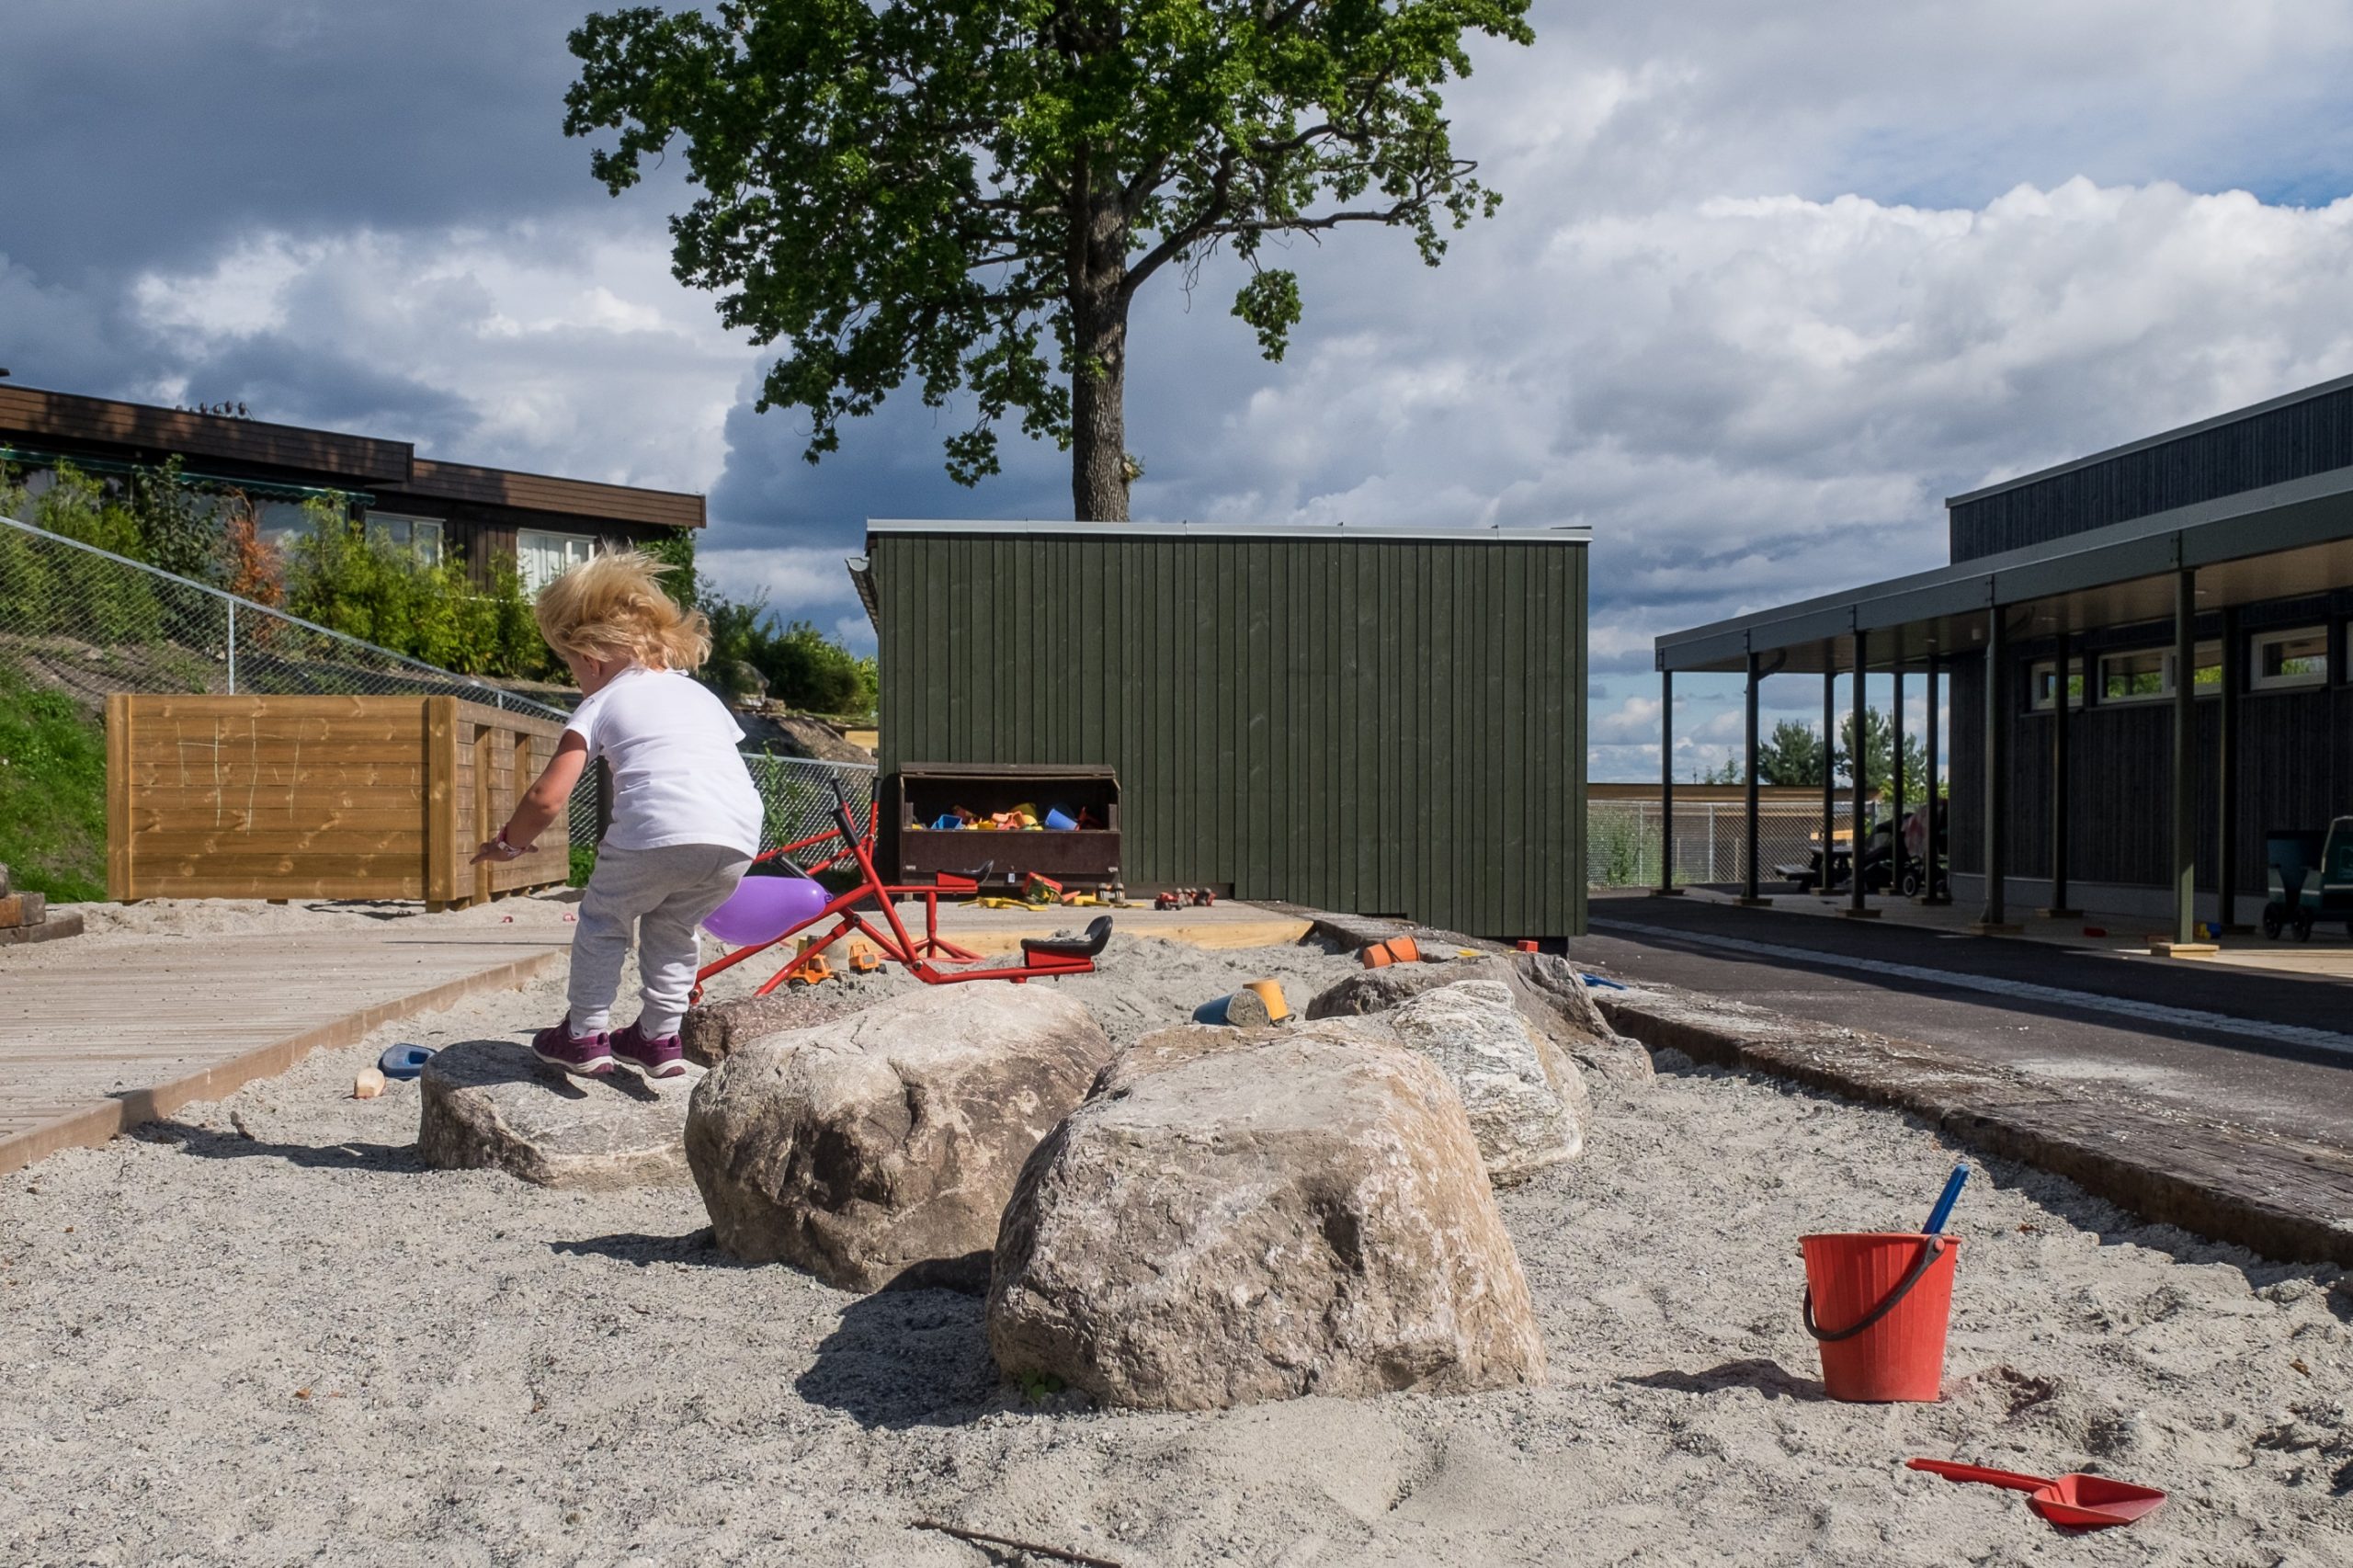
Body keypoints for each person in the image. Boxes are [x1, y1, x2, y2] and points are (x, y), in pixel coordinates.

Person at [472, 551, 761, 1079]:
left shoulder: (601, 702)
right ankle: (659, 1037)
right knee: (675, 925)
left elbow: (546, 798)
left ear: (591, 659)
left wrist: (509, 844)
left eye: (571, 665)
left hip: (657, 828)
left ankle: (582, 1034)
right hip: (736, 836)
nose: (575, 678)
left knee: (604, 920)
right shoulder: (702, 696)